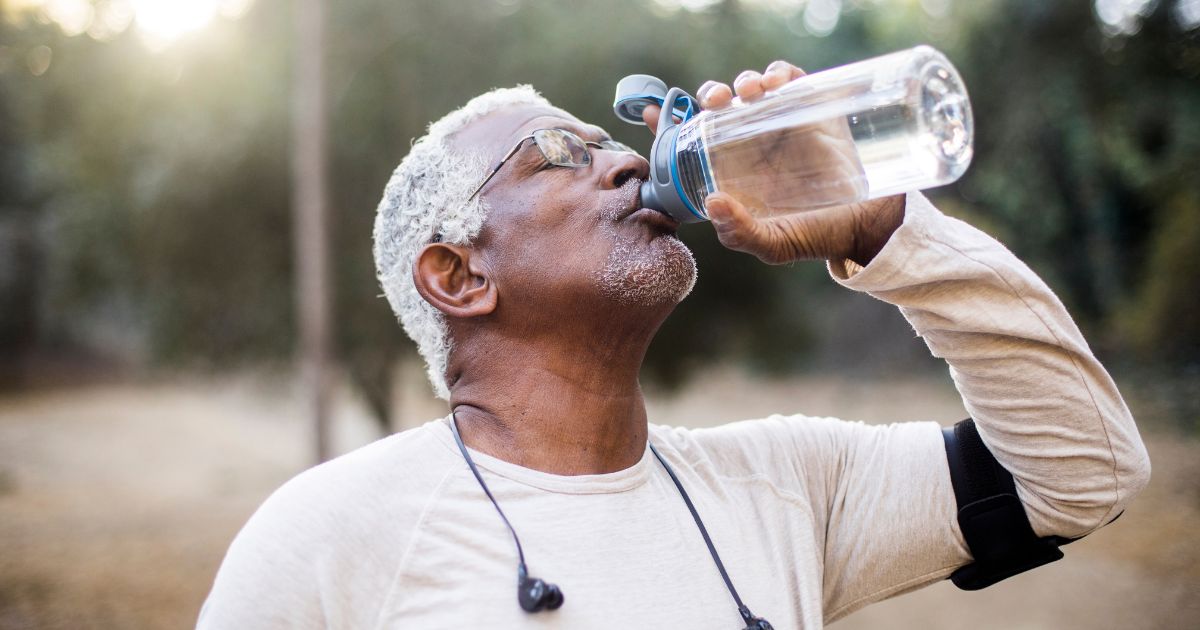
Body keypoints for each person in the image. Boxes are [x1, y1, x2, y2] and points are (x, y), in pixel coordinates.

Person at [197, 61, 1151, 629]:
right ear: (459, 277)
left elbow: (1086, 474)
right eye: (559, 155)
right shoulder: (326, 537)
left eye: (603, 142)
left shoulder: (789, 486)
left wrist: (885, 232)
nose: (623, 158)